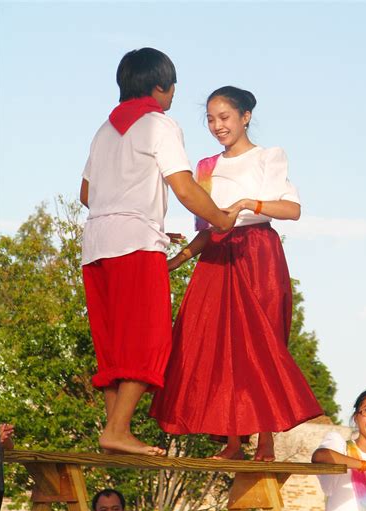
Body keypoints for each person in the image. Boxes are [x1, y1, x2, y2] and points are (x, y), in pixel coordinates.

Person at [150, 86, 323, 461]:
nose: (216, 126)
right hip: (218, 256)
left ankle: (265, 442)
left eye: (224, 117)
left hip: (257, 251)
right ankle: (232, 442)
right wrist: (175, 261)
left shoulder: (268, 157)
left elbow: (291, 209)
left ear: (245, 116)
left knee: (260, 344)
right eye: (210, 119)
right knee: (218, 346)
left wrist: (247, 203)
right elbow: (207, 229)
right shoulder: (206, 167)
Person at [80, 48, 236, 456]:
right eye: (172, 89)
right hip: (135, 243)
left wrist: (125, 201)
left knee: (113, 342)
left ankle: (115, 431)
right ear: (160, 86)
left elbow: (86, 193)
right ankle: (116, 431)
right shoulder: (159, 124)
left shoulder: (103, 130)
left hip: (96, 243)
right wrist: (220, 218)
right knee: (149, 340)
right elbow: (184, 187)